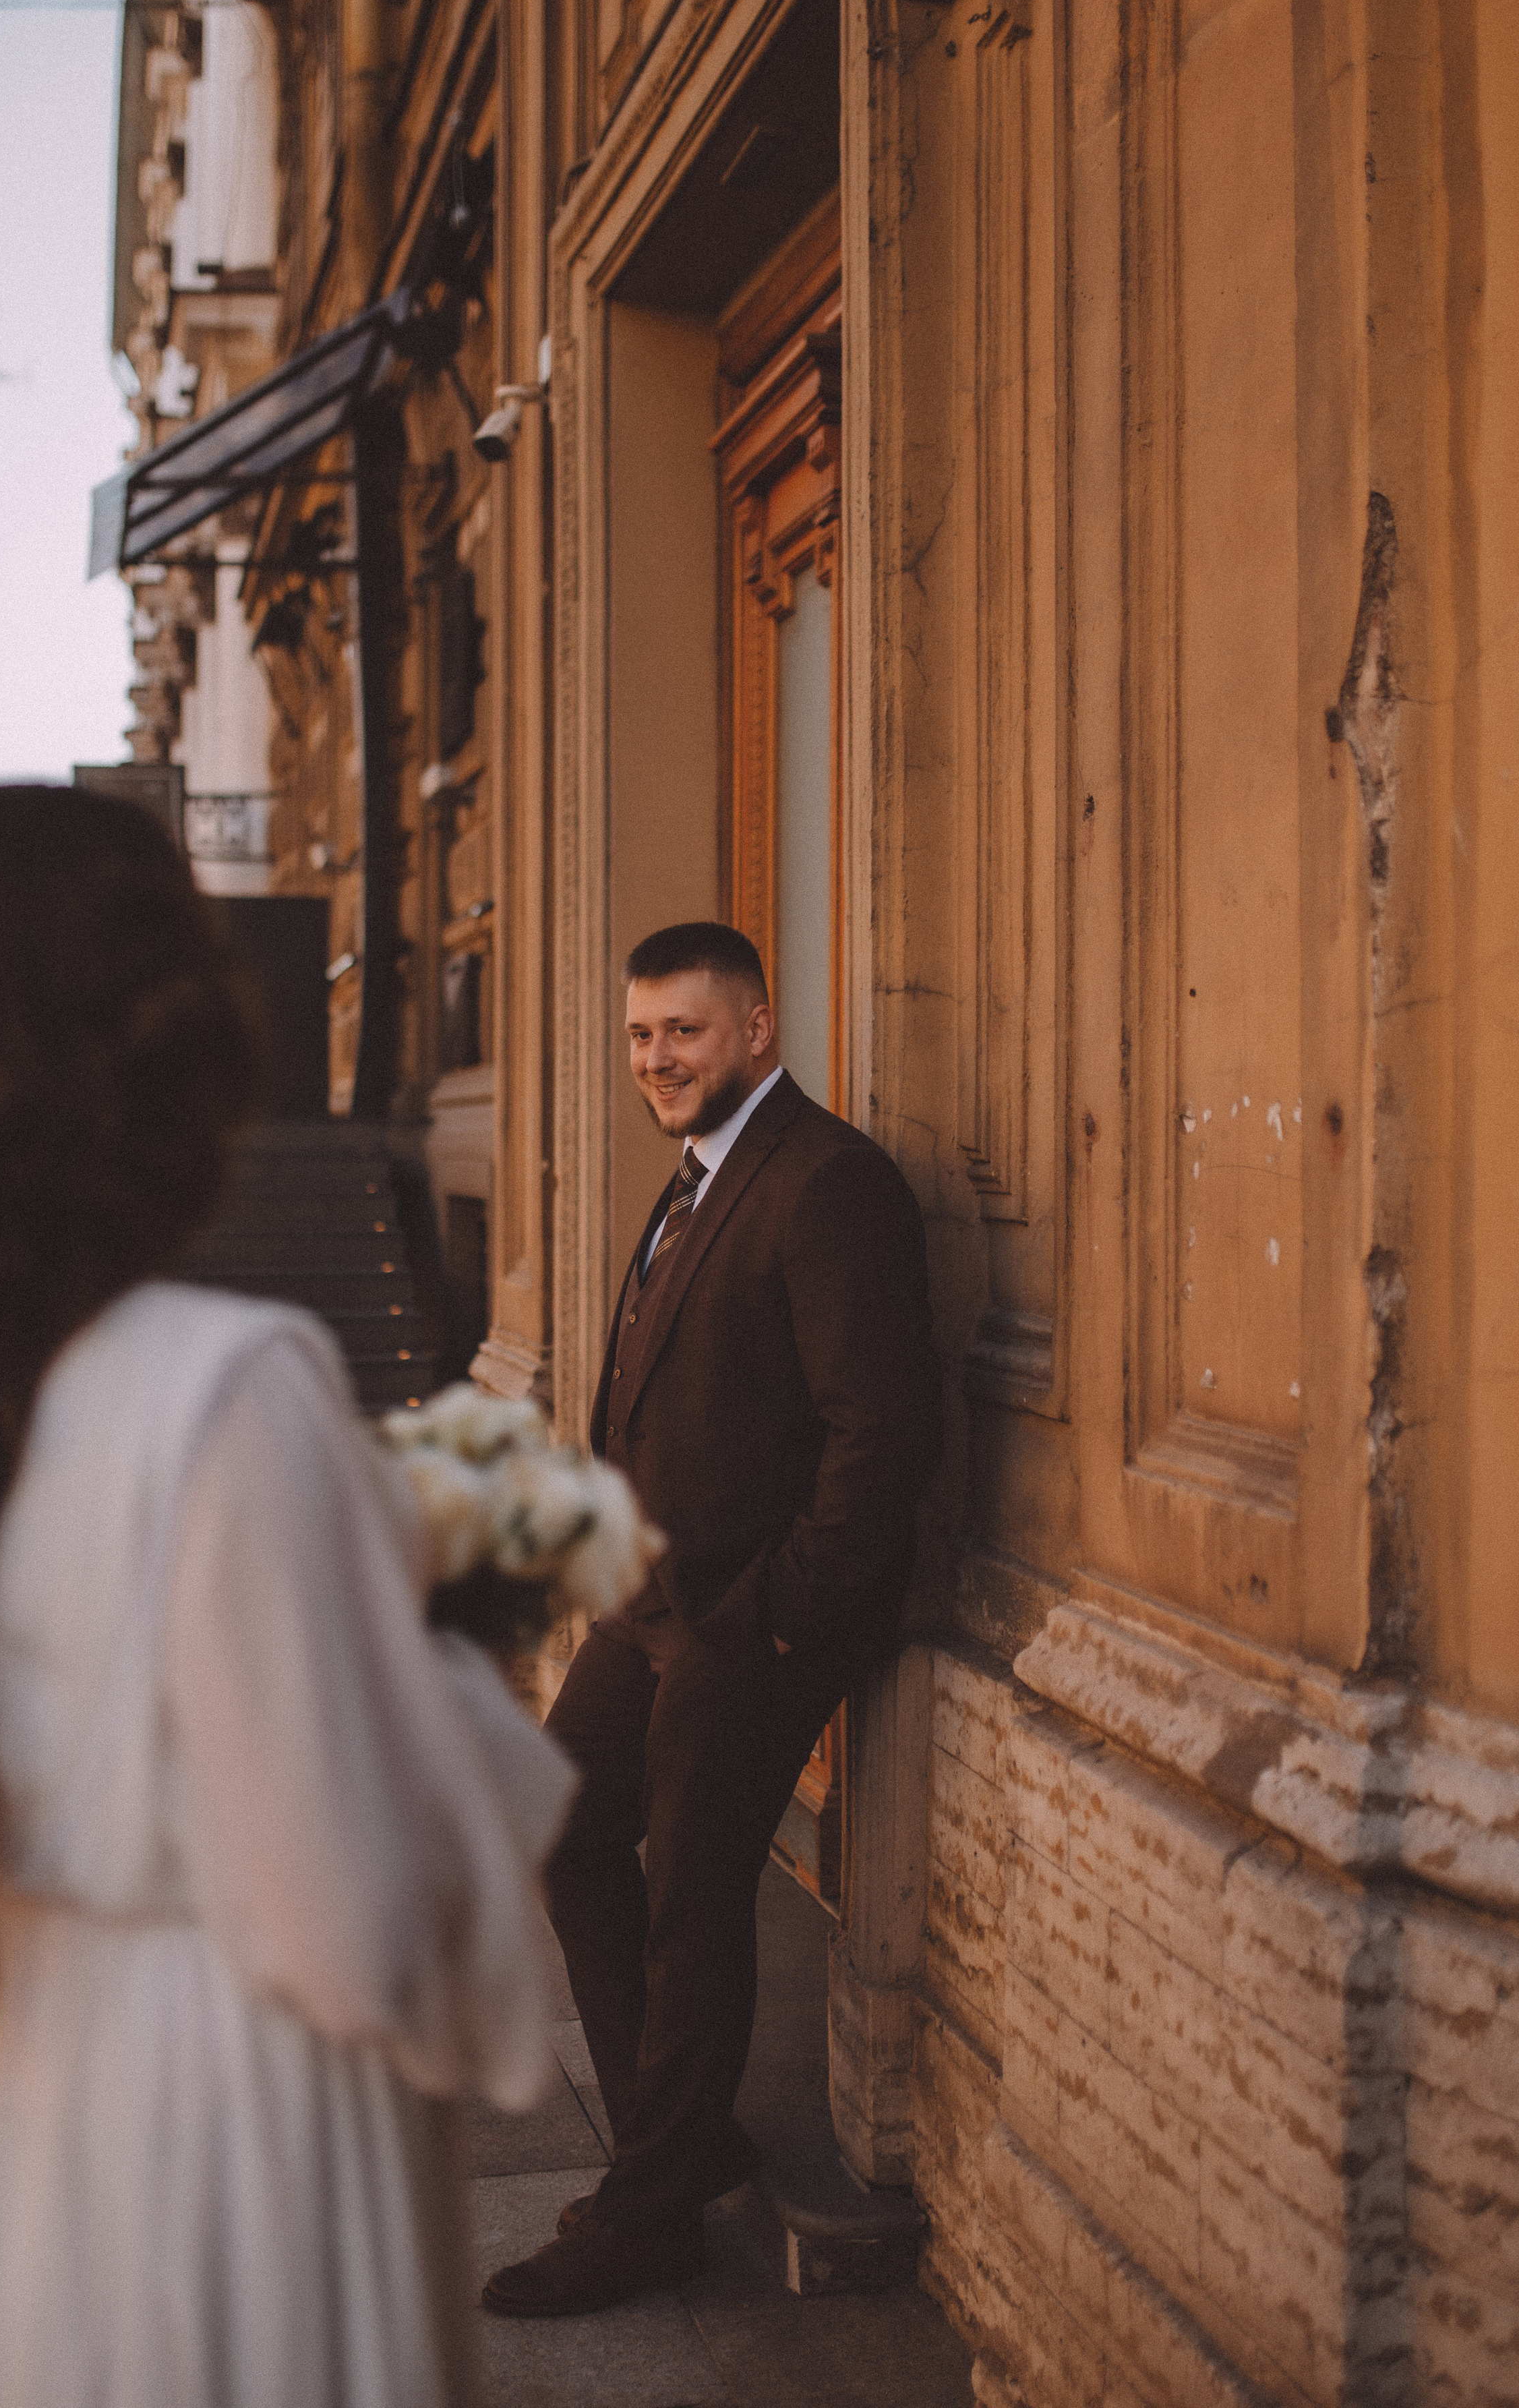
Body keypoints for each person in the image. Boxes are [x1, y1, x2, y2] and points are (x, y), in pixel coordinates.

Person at [0, 785, 574, 2408]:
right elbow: (354, 1932)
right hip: (201, 2181)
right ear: (160, 1045)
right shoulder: (229, 1390)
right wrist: (433, 1685)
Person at [483, 920, 941, 2318]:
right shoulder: (693, 1179)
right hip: (650, 1604)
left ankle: (646, 2211)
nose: (655, 1059)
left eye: (681, 1031)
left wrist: (779, 1617)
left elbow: (880, 1431)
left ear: (753, 1027)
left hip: (754, 1617)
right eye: (638, 1036)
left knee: (689, 1896)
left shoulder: (828, 1183)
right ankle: (681, 2145)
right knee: (561, 1827)